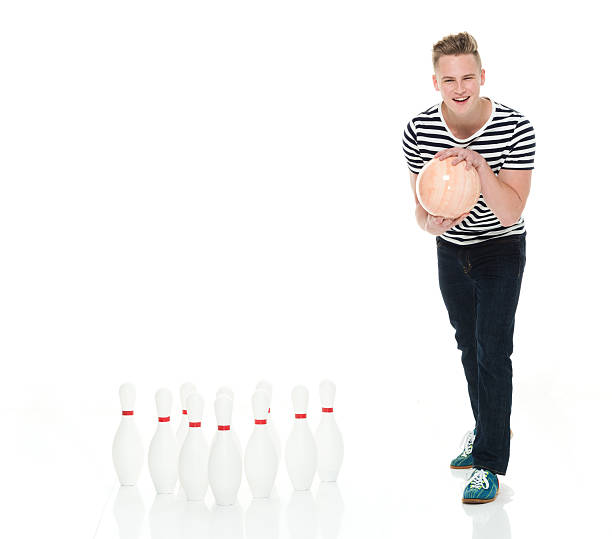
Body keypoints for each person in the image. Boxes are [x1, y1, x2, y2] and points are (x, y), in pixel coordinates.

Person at [402, 32, 535, 504]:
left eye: (467, 78)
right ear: (435, 82)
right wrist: (432, 222)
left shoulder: (516, 128)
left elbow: (511, 212)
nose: (459, 88)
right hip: (451, 250)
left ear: (482, 77)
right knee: (467, 344)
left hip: (500, 249)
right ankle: (488, 428)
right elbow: (421, 212)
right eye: (448, 80)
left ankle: (489, 462)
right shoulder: (418, 130)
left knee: (493, 350)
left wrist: (480, 167)